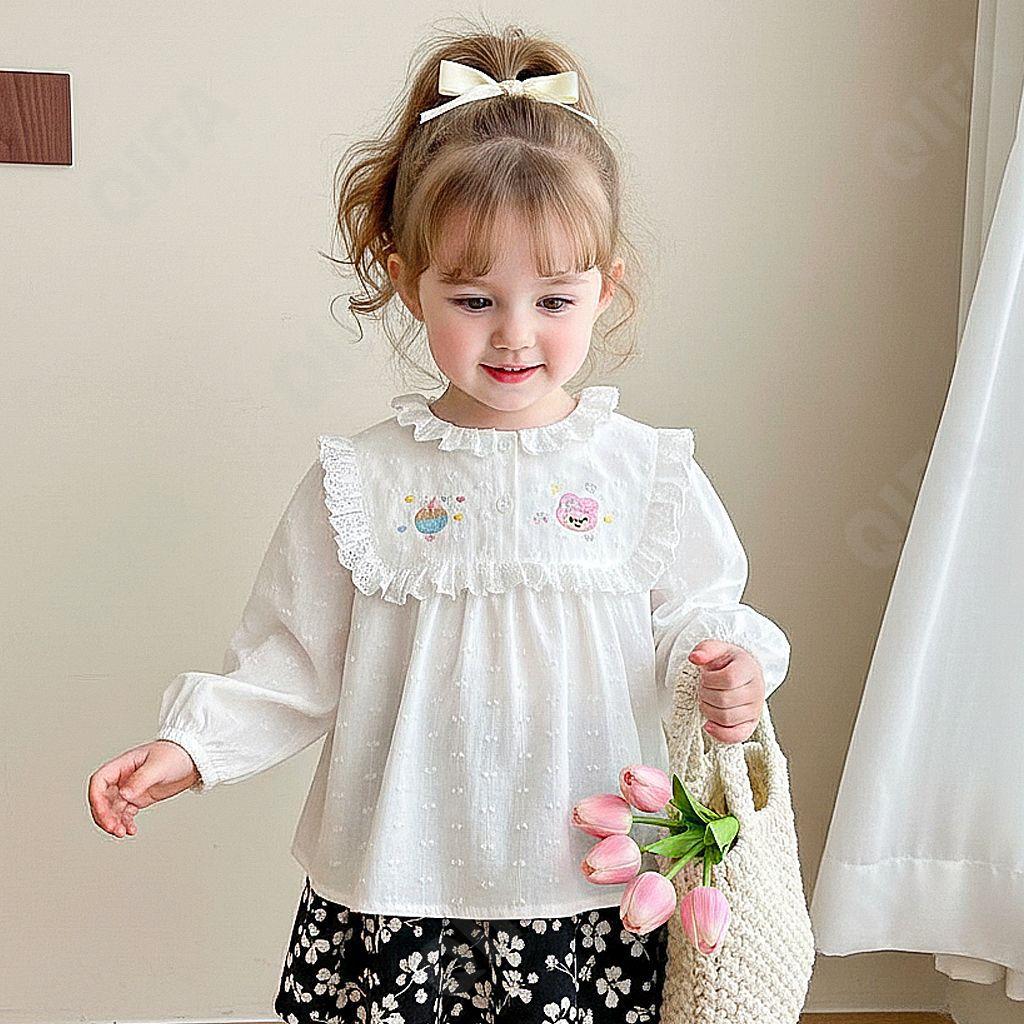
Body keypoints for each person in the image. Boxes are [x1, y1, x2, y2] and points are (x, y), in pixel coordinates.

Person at [87, 21, 791, 1024]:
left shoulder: (644, 471)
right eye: (473, 298)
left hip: (590, 877)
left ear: (606, 288)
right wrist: (191, 749)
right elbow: (290, 662)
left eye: (555, 299)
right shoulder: (364, 479)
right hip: (400, 881)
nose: (514, 334)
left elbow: (699, 616)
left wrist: (729, 667)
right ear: (406, 277)